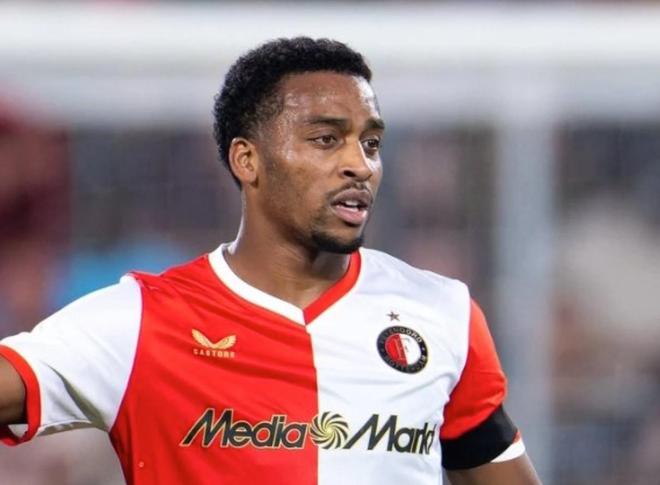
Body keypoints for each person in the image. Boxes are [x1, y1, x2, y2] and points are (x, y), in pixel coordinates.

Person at [0, 37, 541, 485]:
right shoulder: (142, 321)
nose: (360, 165)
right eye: (326, 139)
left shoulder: (440, 311)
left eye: (371, 144)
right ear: (247, 159)